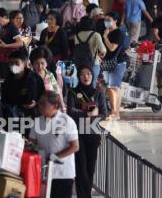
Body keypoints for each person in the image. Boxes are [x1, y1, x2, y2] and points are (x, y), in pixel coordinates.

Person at [29, 91, 79, 198]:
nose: (39, 105)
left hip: (63, 174)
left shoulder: (67, 121)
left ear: (55, 106)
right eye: (39, 103)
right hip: (43, 173)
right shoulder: (37, 121)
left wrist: (54, 157)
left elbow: (75, 146)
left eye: (43, 103)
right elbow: (32, 142)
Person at [67, 66, 108, 198]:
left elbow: (104, 113)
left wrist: (93, 115)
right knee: (81, 167)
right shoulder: (73, 92)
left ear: (92, 75)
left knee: (90, 167)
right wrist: (88, 113)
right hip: (78, 133)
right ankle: (82, 195)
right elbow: (70, 112)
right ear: (78, 76)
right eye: (83, 74)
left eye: (89, 74)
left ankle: (86, 195)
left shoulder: (98, 92)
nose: (86, 77)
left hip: (93, 132)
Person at [1, 50, 45, 122]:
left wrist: (35, 104)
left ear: (24, 63)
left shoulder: (35, 79)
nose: (13, 65)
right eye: (11, 63)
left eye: (16, 63)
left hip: (32, 117)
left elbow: (43, 97)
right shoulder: (8, 80)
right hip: (13, 118)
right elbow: (4, 101)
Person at [101, 12, 126, 120]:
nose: (106, 22)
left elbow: (112, 48)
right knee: (110, 87)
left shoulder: (118, 33)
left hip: (118, 62)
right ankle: (114, 111)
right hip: (107, 62)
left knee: (114, 87)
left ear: (115, 21)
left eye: (109, 19)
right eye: (105, 19)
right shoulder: (107, 31)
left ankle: (115, 113)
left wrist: (105, 37)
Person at [74, 17, 107, 87]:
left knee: (80, 84)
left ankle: (80, 97)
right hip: (93, 63)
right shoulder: (96, 35)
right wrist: (101, 55)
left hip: (80, 64)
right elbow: (103, 50)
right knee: (92, 84)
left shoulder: (77, 35)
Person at [29, 46, 65, 111]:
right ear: (33, 64)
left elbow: (57, 92)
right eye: (37, 63)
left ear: (47, 63)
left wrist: (62, 107)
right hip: (37, 109)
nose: (40, 66)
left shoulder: (50, 75)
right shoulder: (30, 77)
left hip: (52, 108)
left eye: (42, 63)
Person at [0, 8, 24, 79]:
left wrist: (6, 45)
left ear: (5, 17)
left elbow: (20, 43)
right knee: (3, 79)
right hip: (3, 58)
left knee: (10, 80)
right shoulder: (3, 27)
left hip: (11, 60)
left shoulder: (12, 27)